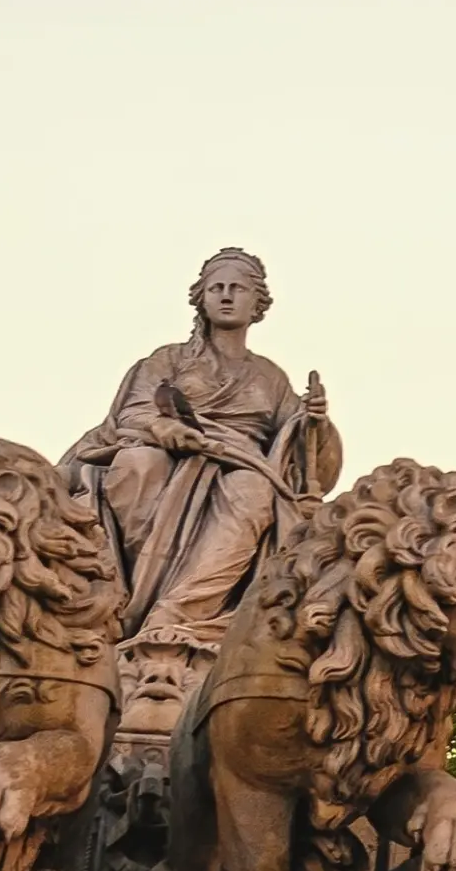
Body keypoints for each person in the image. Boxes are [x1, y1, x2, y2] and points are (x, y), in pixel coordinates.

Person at [66, 247, 337, 736]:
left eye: (239, 288)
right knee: (135, 463)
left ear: (258, 303)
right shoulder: (165, 361)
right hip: (166, 453)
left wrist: (313, 420)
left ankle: (177, 614)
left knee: (253, 491)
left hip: (243, 466)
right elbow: (131, 415)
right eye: (218, 287)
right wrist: (168, 433)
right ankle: (134, 598)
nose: (228, 295)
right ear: (202, 299)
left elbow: (302, 455)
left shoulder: (270, 378)